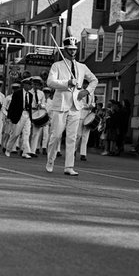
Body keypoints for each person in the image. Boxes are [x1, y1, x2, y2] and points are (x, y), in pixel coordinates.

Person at [45, 33, 98, 176]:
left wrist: (86, 92)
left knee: (72, 137)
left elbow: (94, 80)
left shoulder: (82, 67)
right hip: (61, 105)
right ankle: (50, 160)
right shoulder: (57, 66)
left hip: (76, 106)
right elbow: (50, 82)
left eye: (75, 49)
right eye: (70, 49)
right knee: (56, 136)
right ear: (65, 50)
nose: (73, 52)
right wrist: (66, 83)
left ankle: (69, 166)